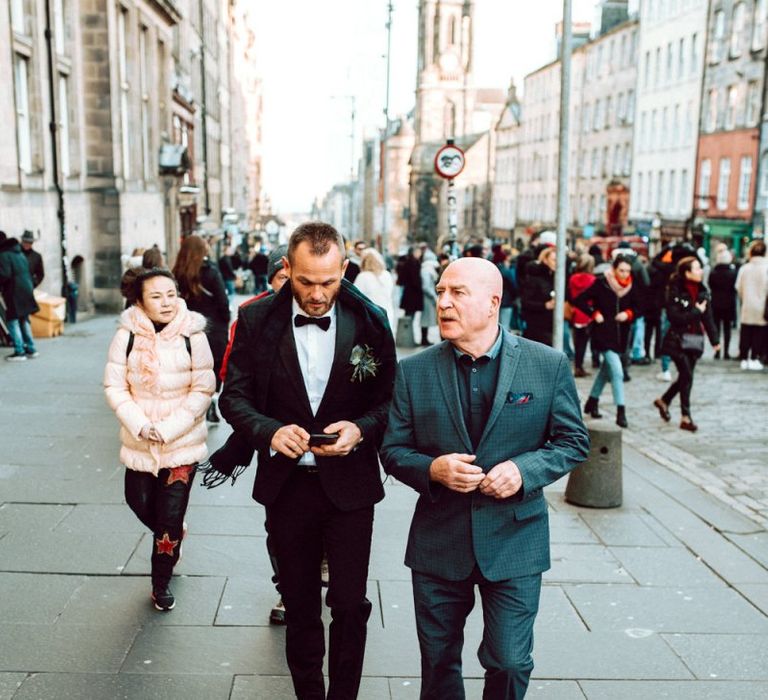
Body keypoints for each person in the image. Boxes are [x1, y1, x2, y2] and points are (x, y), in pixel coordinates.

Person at [380, 257, 589, 700]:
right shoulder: (414, 371)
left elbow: (573, 441)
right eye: (439, 292)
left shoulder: (546, 364)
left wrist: (524, 470)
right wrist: (432, 470)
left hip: (515, 541)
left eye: (457, 293)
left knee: (510, 662)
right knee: (438, 664)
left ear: (493, 303)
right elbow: (393, 450)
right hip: (439, 541)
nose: (443, 303)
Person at [219, 222, 396, 699]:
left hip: (351, 488)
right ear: (287, 269)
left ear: (344, 269)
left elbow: (390, 401)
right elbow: (232, 400)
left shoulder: (372, 320)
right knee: (299, 604)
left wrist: (360, 430)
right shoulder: (256, 322)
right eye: (305, 282)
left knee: (350, 604)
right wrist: (271, 431)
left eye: (328, 281)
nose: (317, 295)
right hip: (287, 487)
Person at [104, 267, 215, 611]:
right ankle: (175, 530)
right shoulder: (128, 334)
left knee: (166, 520)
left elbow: (204, 387)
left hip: (180, 444)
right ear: (139, 301)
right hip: (139, 442)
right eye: (156, 296)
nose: (166, 302)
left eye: (171, 294)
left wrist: (167, 428)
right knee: (137, 500)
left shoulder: (191, 333)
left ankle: (161, 582)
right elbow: (115, 386)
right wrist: (140, 424)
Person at [653, 257, 719, 431]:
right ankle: (685, 416)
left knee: (685, 376)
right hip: (676, 341)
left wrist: (715, 340)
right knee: (687, 375)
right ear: (687, 273)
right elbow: (675, 317)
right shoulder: (675, 290)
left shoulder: (703, 291)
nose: (701, 271)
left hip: (695, 341)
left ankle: (664, 400)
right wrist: (696, 311)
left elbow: (708, 317)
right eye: (697, 269)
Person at [574, 255, 638, 428]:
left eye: (627, 271)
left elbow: (640, 306)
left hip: (622, 335)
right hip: (603, 334)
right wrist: (594, 313)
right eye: (621, 270)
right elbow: (579, 299)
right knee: (617, 371)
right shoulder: (602, 283)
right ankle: (621, 411)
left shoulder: (632, 285)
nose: (625, 275)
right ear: (614, 269)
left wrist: (629, 314)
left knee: (606, 370)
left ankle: (592, 401)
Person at [173, 235, 230, 422]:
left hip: (186, 329)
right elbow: (223, 302)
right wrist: (225, 320)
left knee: (191, 367)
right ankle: (211, 399)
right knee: (213, 366)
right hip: (212, 329)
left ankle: (193, 404)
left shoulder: (176, 274)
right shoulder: (211, 272)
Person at [0, 231, 39, 361]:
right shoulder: (19, 253)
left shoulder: (4, 255)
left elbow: (4, 274)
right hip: (26, 290)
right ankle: (31, 349)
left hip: (13, 292)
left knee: (12, 321)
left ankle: (19, 351)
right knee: (24, 319)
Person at [735, 240, 768, 370]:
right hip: (762, 306)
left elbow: (738, 287)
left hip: (747, 305)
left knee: (746, 332)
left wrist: (745, 297)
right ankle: (755, 357)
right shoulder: (766, 268)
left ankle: (744, 357)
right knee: (759, 333)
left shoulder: (745, 268)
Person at [354, 247, 397, 331]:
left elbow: (354, 296)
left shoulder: (363, 277)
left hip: (370, 317)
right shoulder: (387, 275)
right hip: (387, 314)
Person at [521, 246, 556, 346]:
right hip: (537, 325)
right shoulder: (534, 277)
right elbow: (525, 302)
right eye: (554, 260)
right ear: (545, 260)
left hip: (550, 323)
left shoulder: (554, 276)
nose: (556, 263)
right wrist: (544, 305)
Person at [568, 253, 596, 377]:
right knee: (583, 343)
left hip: (575, 313)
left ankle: (577, 365)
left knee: (576, 341)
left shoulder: (572, 278)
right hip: (587, 313)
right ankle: (580, 366)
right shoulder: (592, 280)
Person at [708, 247, 738, 360]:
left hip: (716, 303)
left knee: (716, 329)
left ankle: (717, 351)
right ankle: (726, 352)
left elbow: (710, 285)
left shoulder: (713, 272)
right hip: (729, 303)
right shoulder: (733, 273)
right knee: (727, 329)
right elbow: (735, 288)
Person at [398, 245, 424, 320]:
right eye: (419, 252)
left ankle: (408, 330)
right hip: (412, 293)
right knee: (410, 315)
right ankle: (407, 331)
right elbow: (415, 279)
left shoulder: (410, 261)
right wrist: (419, 288)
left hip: (409, 292)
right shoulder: (413, 262)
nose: (420, 254)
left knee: (409, 314)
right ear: (415, 253)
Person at [419, 248, 439, 346]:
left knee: (426, 319)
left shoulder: (427, 269)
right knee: (425, 319)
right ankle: (424, 339)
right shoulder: (426, 270)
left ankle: (425, 338)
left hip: (427, 297)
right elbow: (426, 286)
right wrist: (433, 296)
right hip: (427, 298)